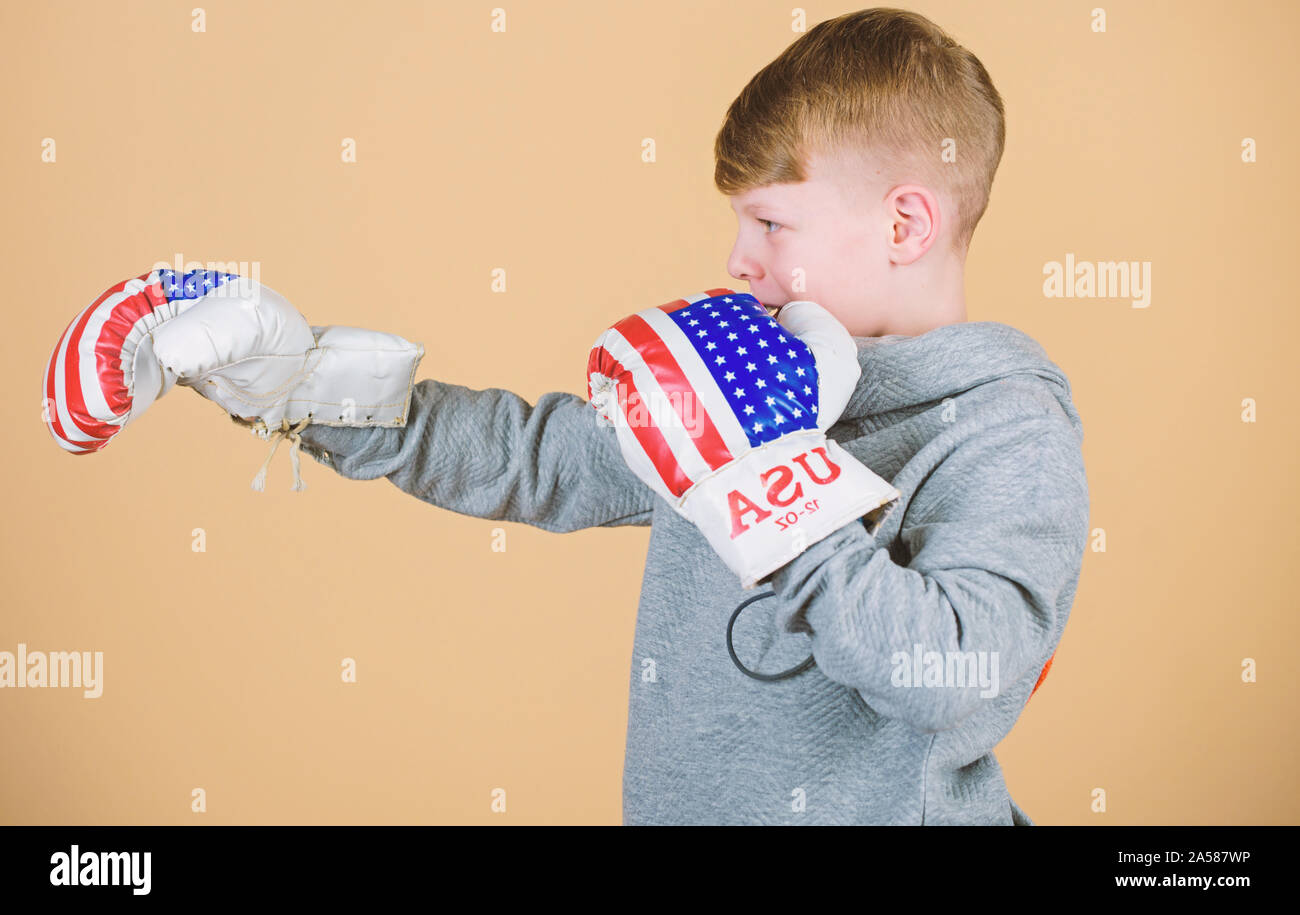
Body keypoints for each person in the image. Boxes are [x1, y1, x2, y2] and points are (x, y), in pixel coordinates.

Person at [294, 8, 1090, 825]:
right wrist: (308, 388)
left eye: (772, 222)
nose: (738, 261)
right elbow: (532, 459)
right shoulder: (742, 378)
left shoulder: (1007, 436)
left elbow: (956, 676)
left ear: (904, 225)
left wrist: (783, 486)